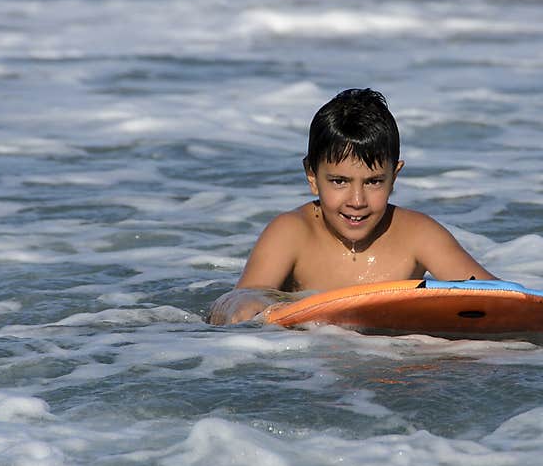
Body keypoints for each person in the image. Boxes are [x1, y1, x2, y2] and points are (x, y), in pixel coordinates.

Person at [207, 88, 496, 324]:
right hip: (307, 365)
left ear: (394, 177)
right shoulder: (292, 233)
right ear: (312, 176)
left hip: (393, 365)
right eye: (339, 181)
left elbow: (496, 297)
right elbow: (237, 302)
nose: (357, 201)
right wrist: (253, 305)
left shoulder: (418, 234)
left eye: (373, 182)